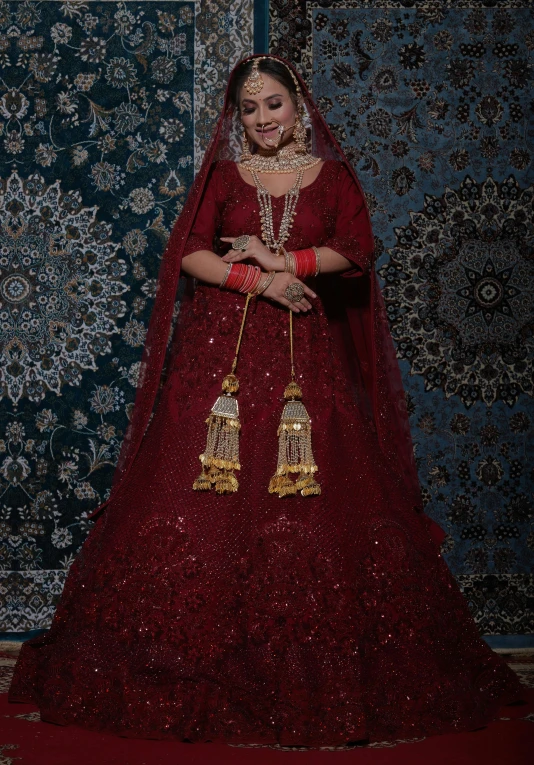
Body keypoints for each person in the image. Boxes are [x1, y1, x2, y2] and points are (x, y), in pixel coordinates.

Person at [8, 54, 524, 748]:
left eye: (273, 105)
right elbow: (188, 253)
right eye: (249, 110)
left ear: (298, 105)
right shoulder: (224, 176)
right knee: (195, 496)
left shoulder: (331, 177)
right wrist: (257, 281)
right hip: (218, 362)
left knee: (312, 500)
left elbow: (356, 248)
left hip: (304, 362)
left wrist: (288, 263)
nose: (261, 120)